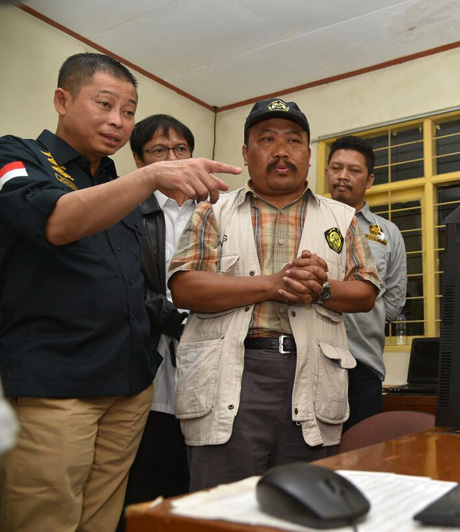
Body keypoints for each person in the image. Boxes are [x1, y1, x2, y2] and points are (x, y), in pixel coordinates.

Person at [0, 53, 239, 532]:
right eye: (105, 104)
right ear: (62, 100)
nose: (118, 121)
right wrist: (149, 176)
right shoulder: (17, 155)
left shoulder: (115, 180)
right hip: (57, 383)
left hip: (129, 383)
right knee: (45, 517)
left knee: (103, 518)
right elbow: (56, 222)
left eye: (128, 111)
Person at [168, 98, 380, 491]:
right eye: (267, 139)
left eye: (294, 141)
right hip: (234, 373)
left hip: (313, 374)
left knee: (303, 507)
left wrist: (322, 289)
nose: (282, 151)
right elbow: (184, 287)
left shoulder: (342, 218)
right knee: (225, 509)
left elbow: (366, 293)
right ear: (247, 154)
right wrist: (273, 283)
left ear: (309, 155)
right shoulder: (213, 211)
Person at [117, 115, 197, 529]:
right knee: (146, 467)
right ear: (138, 159)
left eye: (181, 149)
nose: (173, 158)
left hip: (205, 352)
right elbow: (127, 283)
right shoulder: (125, 208)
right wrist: (175, 322)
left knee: (195, 472)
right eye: (159, 151)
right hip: (147, 352)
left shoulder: (214, 209)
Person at [325, 135, 406, 431]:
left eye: (354, 170)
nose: (343, 176)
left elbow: (393, 303)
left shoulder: (385, 232)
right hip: (308, 360)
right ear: (326, 172)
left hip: (363, 365)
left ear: (369, 180)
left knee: (360, 458)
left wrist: (360, 313)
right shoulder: (305, 220)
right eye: (336, 168)